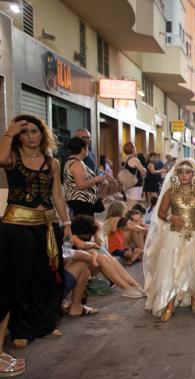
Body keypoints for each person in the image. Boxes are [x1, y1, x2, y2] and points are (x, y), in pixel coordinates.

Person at [0, 115, 71, 348]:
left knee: (48, 277)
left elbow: (57, 195)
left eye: (34, 131)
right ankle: (21, 329)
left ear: (42, 133)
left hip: (47, 226)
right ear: (18, 136)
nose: (30, 136)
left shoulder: (53, 163)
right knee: (20, 280)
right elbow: (0, 158)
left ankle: (45, 324)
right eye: (24, 132)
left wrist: (66, 222)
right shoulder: (12, 157)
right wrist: (9, 133)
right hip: (17, 226)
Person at [143, 158, 195, 321]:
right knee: (173, 267)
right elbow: (160, 212)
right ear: (176, 174)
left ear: (193, 174)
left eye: (187, 172)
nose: (184, 175)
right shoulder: (170, 191)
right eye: (180, 172)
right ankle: (169, 303)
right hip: (175, 234)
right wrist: (170, 217)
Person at [69, 215, 145, 298]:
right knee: (101, 257)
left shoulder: (86, 235)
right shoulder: (72, 236)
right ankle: (127, 288)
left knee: (109, 258)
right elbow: (82, 245)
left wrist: (96, 233)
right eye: (87, 234)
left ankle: (134, 284)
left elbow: (100, 244)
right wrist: (93, 244)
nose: (88, 236)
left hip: (88, 266)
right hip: (77, 269)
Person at [63, 136, 106, 217]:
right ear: (83, 149)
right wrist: (97, 179)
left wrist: (99, 173)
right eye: (87, 147)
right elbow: (81, 185)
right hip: (82, 202)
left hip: (81, 202)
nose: (88, 150)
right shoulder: (77, 163)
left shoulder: (72, 162)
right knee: (85, 227)